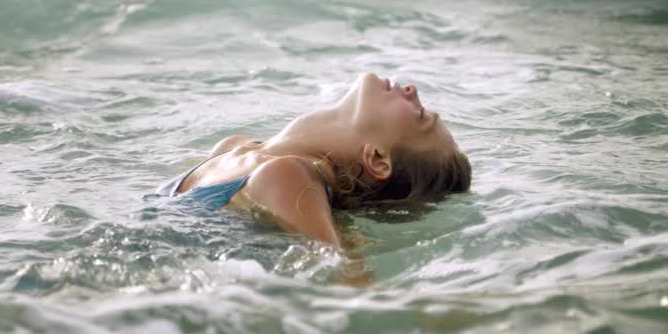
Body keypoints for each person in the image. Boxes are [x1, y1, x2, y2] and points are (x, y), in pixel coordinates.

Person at [157, 72, 471, 244]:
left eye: (420, 116)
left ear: (377, 159)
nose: (413, 90)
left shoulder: (286, 176)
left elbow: (344, 276)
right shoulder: (235, 146)